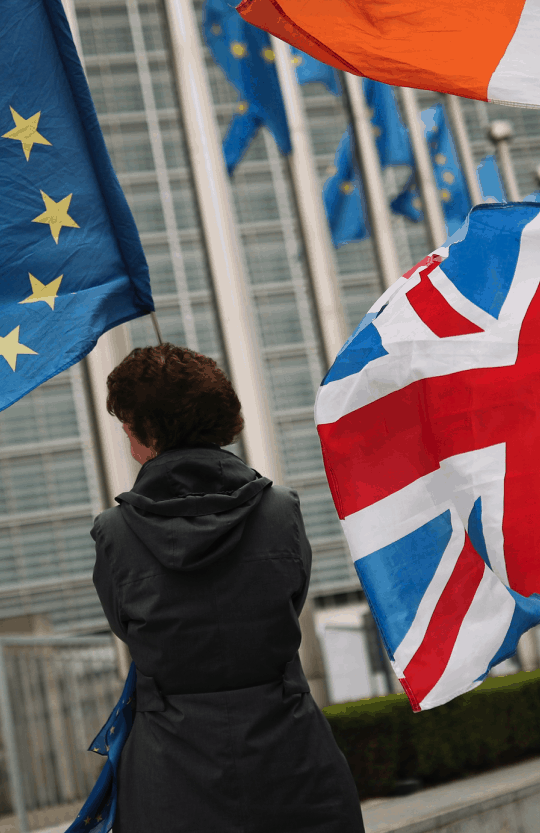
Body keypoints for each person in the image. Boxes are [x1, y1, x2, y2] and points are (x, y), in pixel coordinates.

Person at [92, 343, 364, 833]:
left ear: (147, 433)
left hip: (169, 778)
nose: (128, 441)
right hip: (292, 760)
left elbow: (126, 627)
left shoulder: (114, 532)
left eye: (128, 427)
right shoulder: (282, 509)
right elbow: (291, 600)